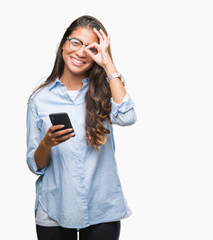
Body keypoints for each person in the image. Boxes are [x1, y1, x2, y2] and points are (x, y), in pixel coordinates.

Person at [26, 15, 136, 240]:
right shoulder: (40, 99)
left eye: (91, 47)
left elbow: (127, 116)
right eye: (76, 42)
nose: (81, 52)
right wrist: (47, 143)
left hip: (102, 206)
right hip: (55, 206)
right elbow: (35, 165)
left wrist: (108, 63)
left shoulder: (106, 90)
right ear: (64, 44)